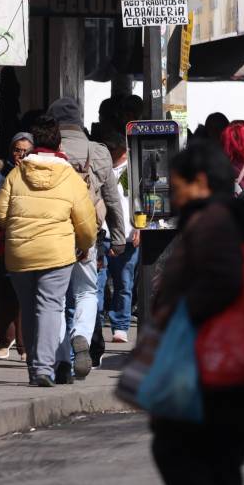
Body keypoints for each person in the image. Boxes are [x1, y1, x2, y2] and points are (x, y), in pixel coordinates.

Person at [151, 141, 244, 485]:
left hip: (211, 369)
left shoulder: (214, 224)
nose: (173, 194)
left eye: (177, 184)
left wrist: (177, 317)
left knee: (178, 453)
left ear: (200, 182)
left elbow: (224, 280)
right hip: (240, 367)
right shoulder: (239, 223)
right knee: (223, 465)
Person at [0, 116, 97, 387]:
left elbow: (0, 212)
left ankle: (32, 366)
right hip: (57, 253)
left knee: (28, 308)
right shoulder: (70, 178)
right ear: (59, 143)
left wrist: (18, 225)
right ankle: (43, 368)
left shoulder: (16, 174)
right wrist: (84, 246)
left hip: (20, 252)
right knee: (50, 307)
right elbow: (86, 222)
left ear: (34, 144)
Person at [49, 96, 126, 380]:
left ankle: (61, 360)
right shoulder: (99, 151)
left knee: (55, 298)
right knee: (86, 291)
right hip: (87, 234)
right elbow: (113, 199)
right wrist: (119, 236)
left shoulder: (48, 151)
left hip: (53, 232)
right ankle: (81, 334)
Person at [0, 133, 33, 360]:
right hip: (5, 240)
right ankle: (5, 340)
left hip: (30, 239)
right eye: (17, 150)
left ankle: (24, 345)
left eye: (26, 151)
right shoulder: (0, 176)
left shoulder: (38, 174)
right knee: (4, 291)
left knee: (25, 293)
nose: (21, 155)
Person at [101, 130, 139, 344]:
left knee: (124, 282)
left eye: (111, 149)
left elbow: (140, 200)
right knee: (100, 283)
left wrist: (139, 228)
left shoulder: (132, 171)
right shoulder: (101, 170)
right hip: (104, 234)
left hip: (127, 233)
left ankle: (121, 326)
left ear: (122, 151)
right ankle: (96, 322)